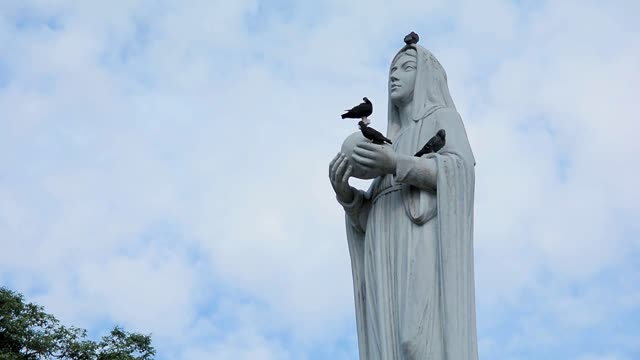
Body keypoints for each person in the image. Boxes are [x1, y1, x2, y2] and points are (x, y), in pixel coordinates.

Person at [329, 36, 479, 360]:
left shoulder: (443, 119)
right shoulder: (385, 143)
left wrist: (397, 164)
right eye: (392, 71)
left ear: (426, 76)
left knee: (418, 341)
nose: (395, 75)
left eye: (406, 67)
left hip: (420, 245)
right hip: (383, 256)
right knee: (388, 345)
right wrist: (349, 198)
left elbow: (459, 171)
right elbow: (373, 219)